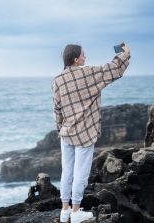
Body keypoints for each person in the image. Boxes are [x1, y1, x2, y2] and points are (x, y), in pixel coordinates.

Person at [52, 43, 131, 223]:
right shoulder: (88, 73)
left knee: (67, 173)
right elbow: (113, 69)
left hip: (66, 133)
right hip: (85, 134)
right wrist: (126, 54)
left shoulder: (57, 80)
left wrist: (60, 129)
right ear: (75, 59)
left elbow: (57, 109)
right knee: (80, 173)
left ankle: (64, 211)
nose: (85, 57)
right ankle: (76, 212)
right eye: (83, 55)